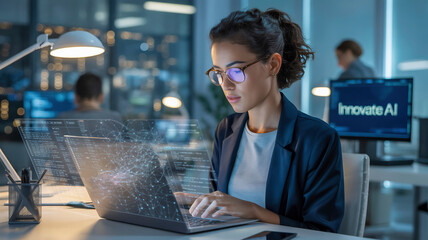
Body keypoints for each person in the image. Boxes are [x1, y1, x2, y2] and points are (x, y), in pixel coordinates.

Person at [186, 8, 344, 232]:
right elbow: (220, 208)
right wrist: (193, 202)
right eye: (219, 73)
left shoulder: (317, 138)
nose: (226, 85)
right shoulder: (226, 130)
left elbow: (322, 232)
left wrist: (254, 211)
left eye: (236, 71)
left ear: (272, 65)